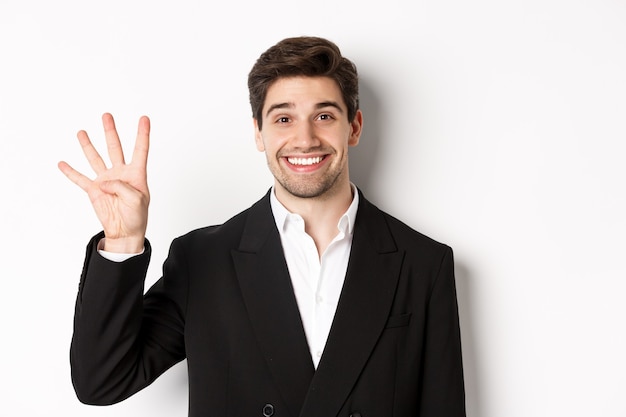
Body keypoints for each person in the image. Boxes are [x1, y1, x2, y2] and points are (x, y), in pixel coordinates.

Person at [59, 36, 466, 417]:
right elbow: (101, 381)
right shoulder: (203, 261)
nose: (305, 139)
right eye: (283, 118)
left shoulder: (423, 264)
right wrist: (122, 241)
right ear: (258, 132)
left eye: (323, 115)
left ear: (354, 127)